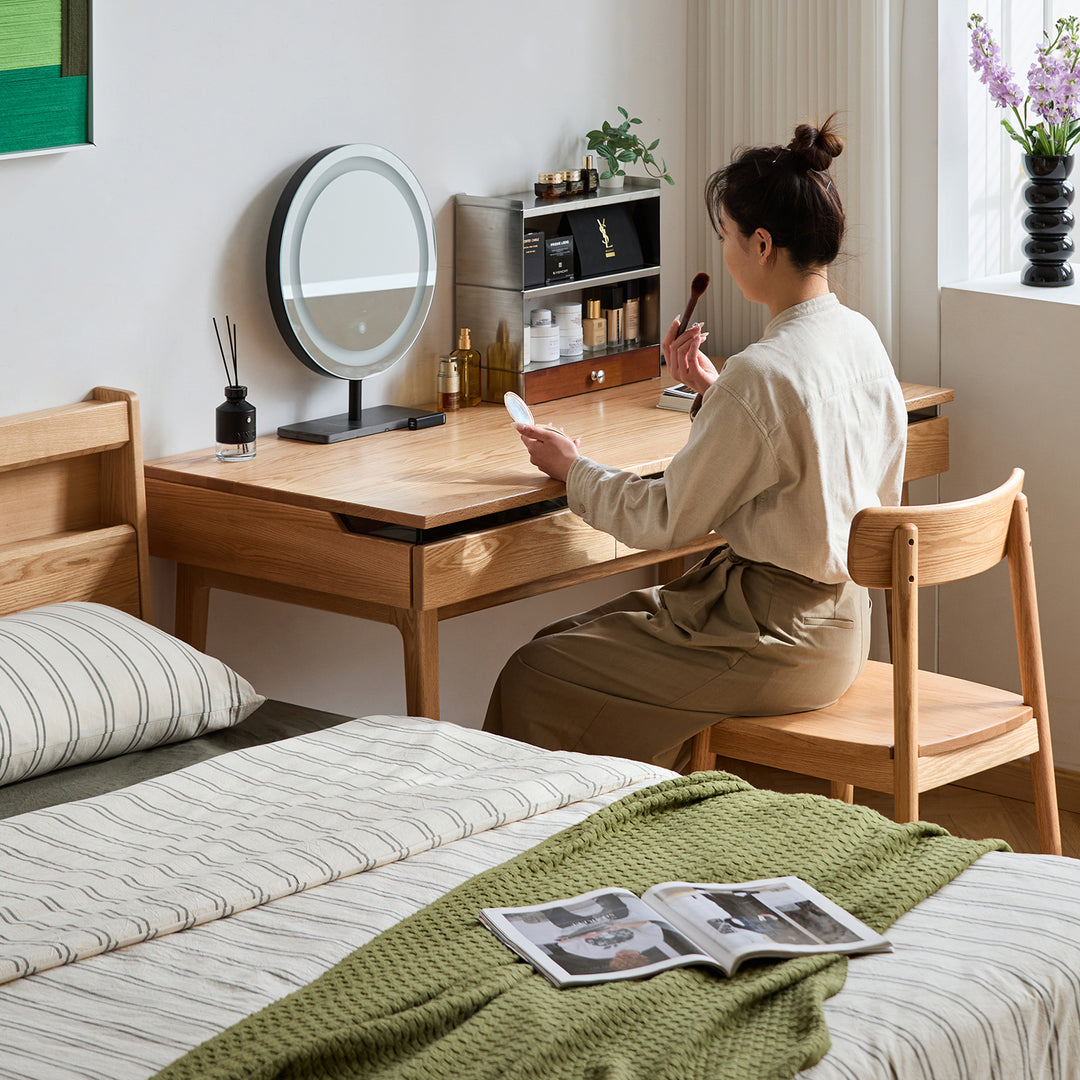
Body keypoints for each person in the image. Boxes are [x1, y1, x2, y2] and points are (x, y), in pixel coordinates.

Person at [483, 117, 907, 771]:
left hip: (772, 637)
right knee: (562, 640)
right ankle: (649, 815)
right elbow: (808, 457)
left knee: (532, 671)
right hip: (842, 622)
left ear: (762, 244)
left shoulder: (762, 374)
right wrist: (716, 393)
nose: (725, 252)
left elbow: (665, 518)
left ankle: (533, 847)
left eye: (727, 237)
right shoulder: (858, 336)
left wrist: (573, 470)